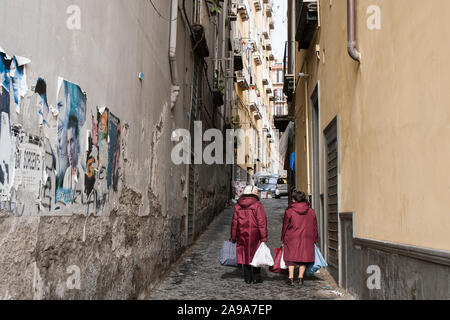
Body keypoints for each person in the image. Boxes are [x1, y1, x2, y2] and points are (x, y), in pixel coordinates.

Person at [231, 186, 268, 284]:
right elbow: (261, 222)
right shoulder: (257, 205)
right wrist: (264, 236)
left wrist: (233, 236)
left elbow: (234, 222)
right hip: (255, 234)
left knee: (244, 254)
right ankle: (256, 277)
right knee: (256, 254)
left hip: (241, 233)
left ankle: (247, 278)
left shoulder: (238, 205)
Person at [281, 190, 319, 286]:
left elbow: (285, 226)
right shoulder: (311, 211)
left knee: (290, 258)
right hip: (307, 238)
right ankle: (300, 278)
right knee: (303, 258)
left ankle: (290, 278)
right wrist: (315, 238)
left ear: (294, 199)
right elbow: (315, 226)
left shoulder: (289, 211)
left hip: (292, 237)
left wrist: (283, 238)